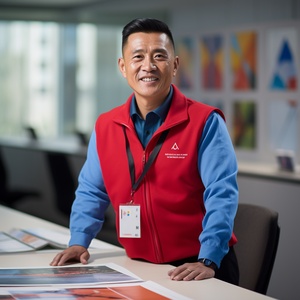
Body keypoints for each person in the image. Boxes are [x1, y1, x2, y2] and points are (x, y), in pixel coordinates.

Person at [50, 18, 239, 285]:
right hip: (139, 265)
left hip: (200, 265)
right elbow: (92, 190)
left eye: (159, 56)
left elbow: (222, 194)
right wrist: (79, 241)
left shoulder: (205, 122)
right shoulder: (106, 126)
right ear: (123, 67)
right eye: (138, 56)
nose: (148, 66)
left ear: (174, 65)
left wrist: (208, 258)